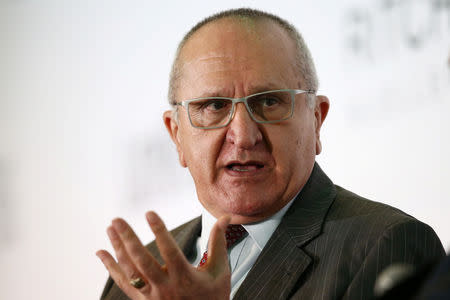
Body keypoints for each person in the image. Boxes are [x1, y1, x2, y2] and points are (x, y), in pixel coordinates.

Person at [96, 8, 445, 300]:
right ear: (176, 136)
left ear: (316, 120)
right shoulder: (138, 276)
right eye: (214, 106)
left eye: (268, 102)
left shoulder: (387, 245)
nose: (244, 136)